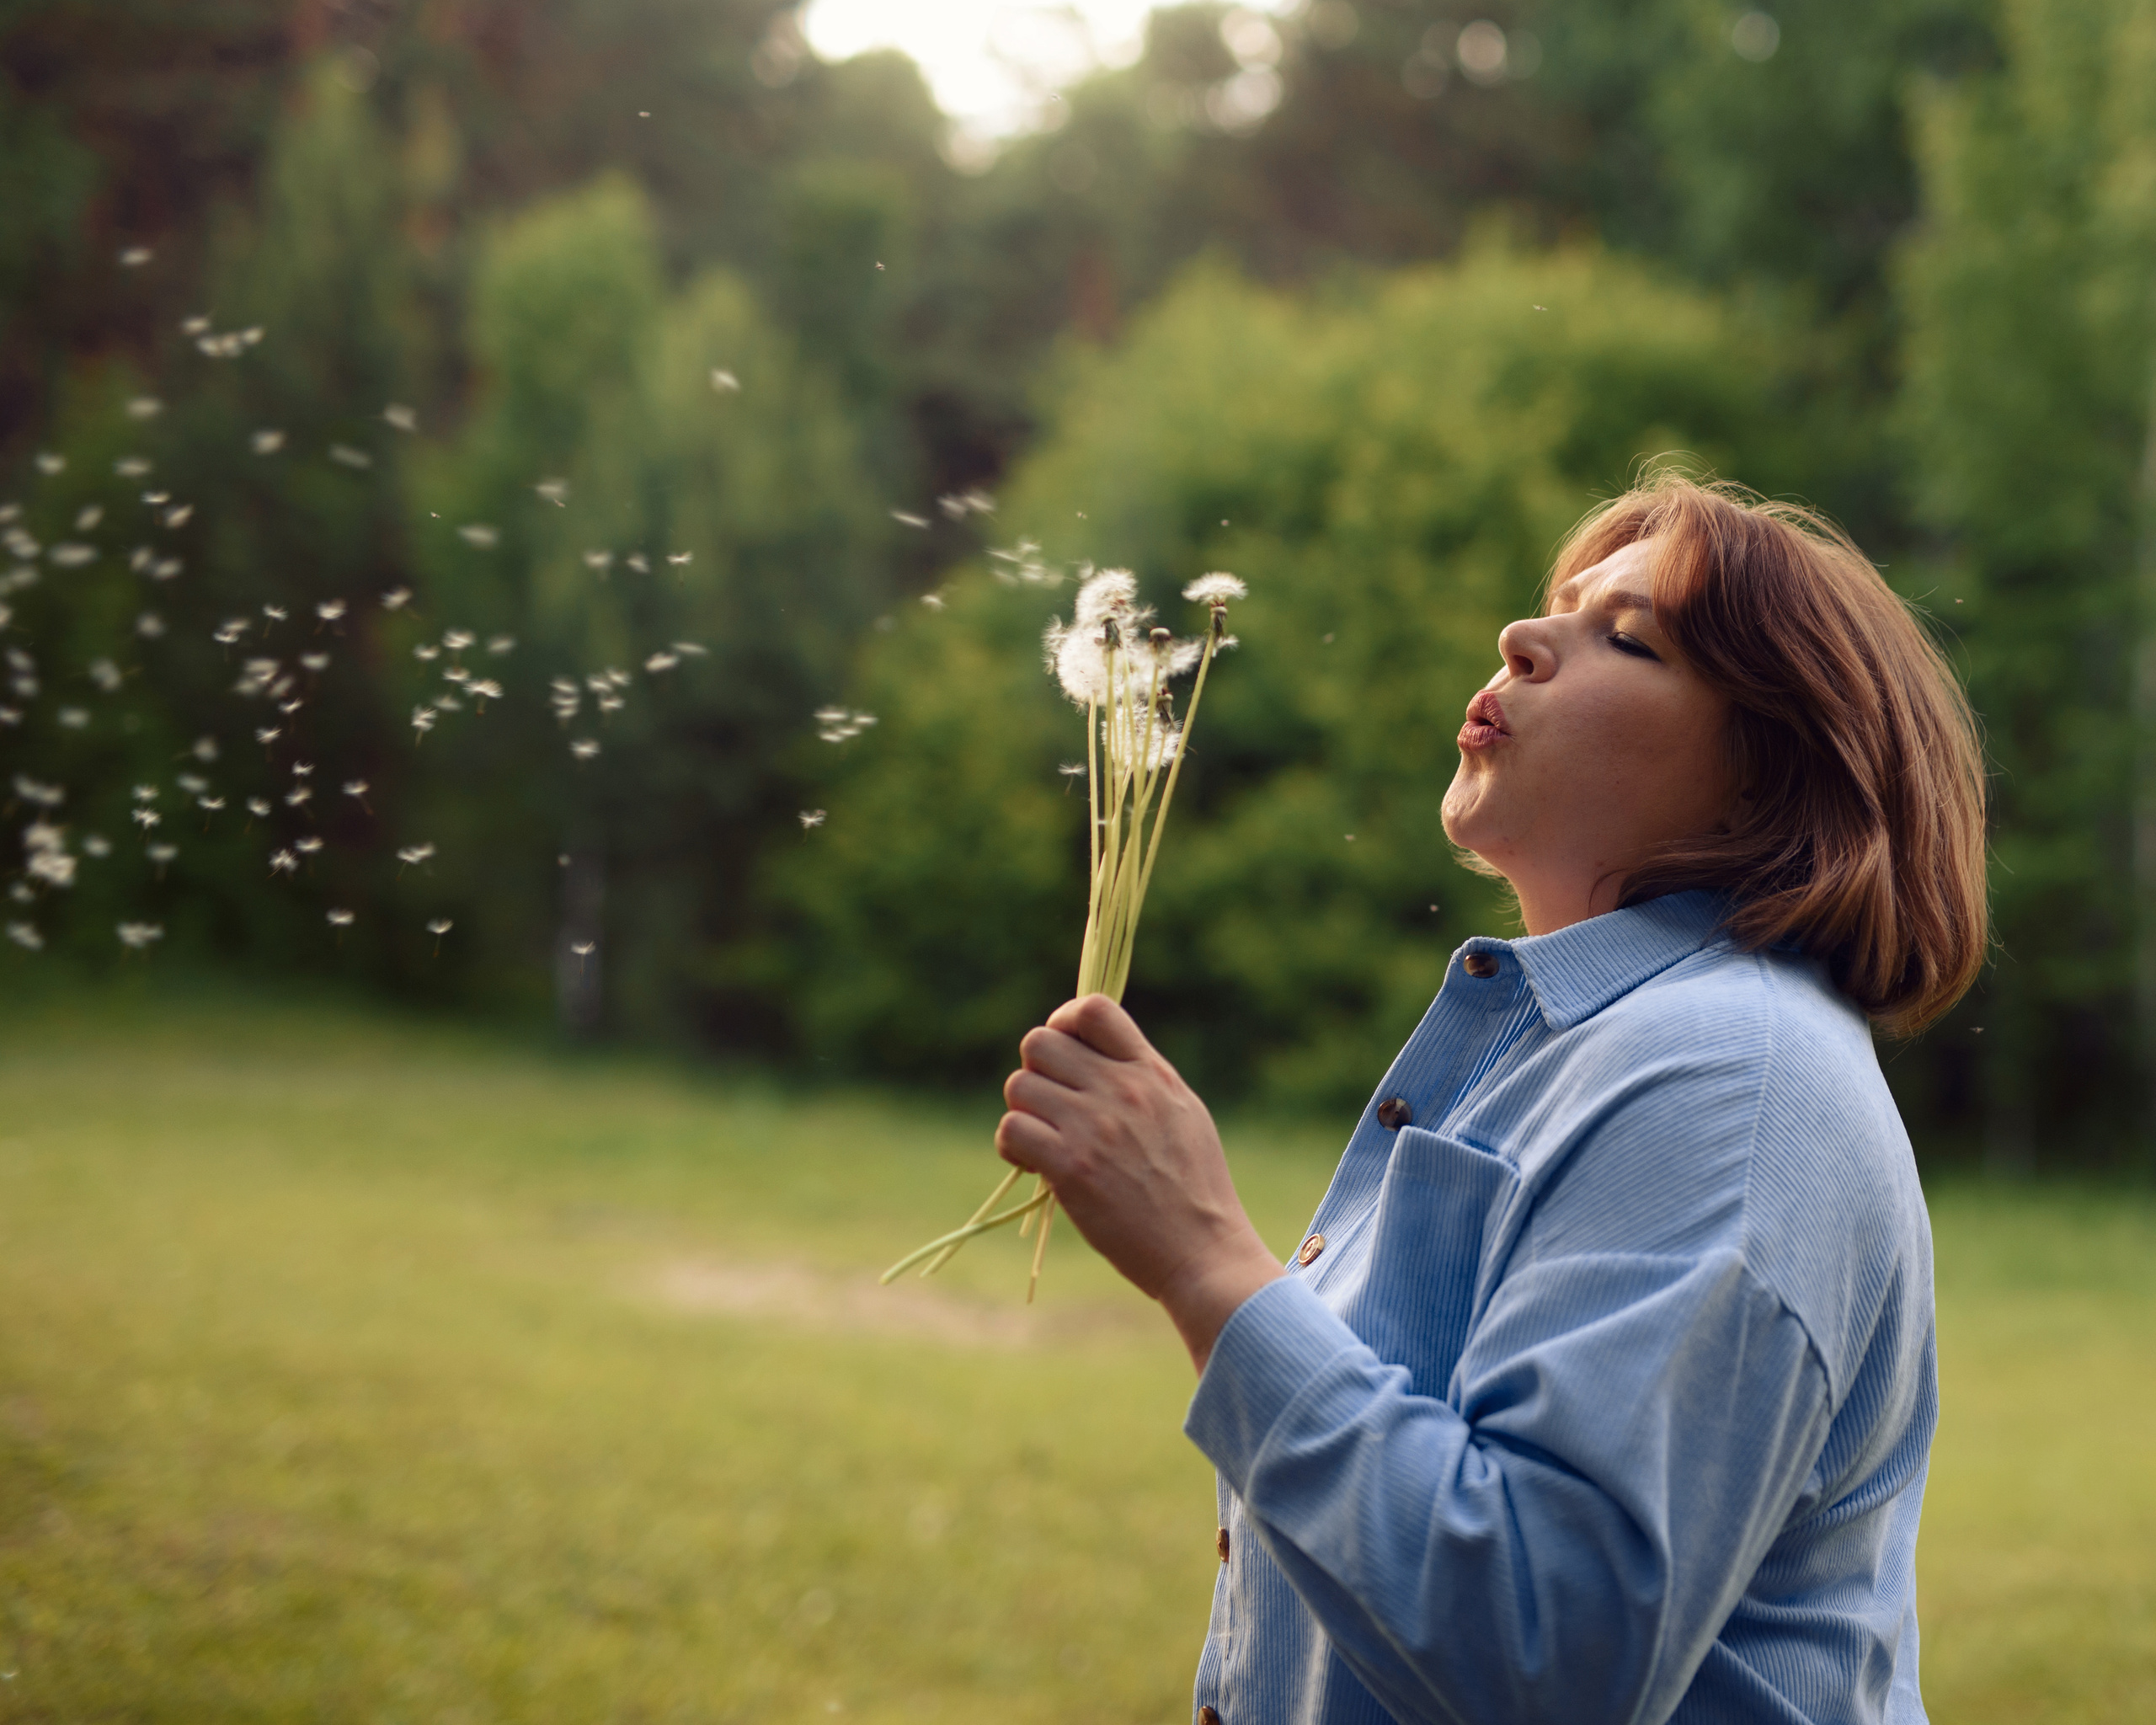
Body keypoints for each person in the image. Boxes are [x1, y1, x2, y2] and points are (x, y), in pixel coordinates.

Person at [994, 472, 1988, 1725]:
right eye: (1557, 607)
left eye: (1628, 637)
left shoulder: (1732, 1089)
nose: (1525, 637)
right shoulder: (1580, 1048)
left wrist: (1204, 1257)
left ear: (1769, 779)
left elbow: (1547, 1655)